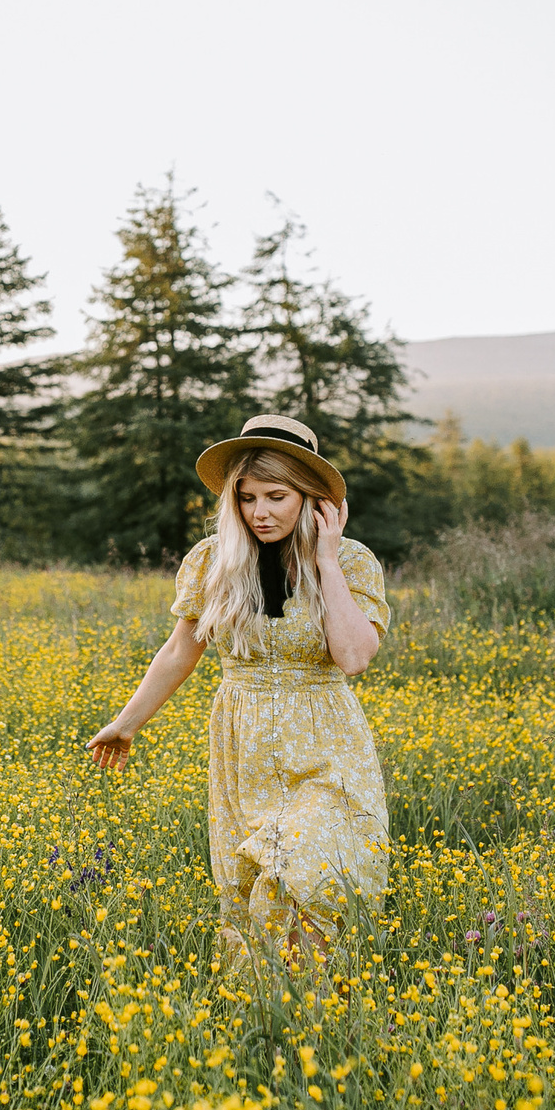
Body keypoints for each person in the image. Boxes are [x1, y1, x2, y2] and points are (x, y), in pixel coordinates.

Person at [86, 414, 392, 968]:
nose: (261, 512)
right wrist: (125, 723)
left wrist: (325, 559)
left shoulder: (351, 562)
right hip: (242, 741)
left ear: (312, 499)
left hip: (325, 742)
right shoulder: (213, 561)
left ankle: (323, 1013)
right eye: (248, 498)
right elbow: (182, 649)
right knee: (254, 890)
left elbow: (353, 657)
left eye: (277, 496)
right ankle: (278, 1018)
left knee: (314, 869)